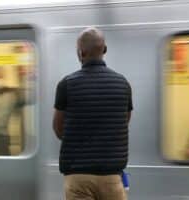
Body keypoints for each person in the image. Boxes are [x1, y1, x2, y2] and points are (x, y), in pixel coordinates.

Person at [53, 27, 132, 200]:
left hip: (78, 178)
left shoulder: (67, 84)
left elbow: (59, 130)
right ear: (104, 50)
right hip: (112, 176)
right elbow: (124, 122)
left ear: (80, 52)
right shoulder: (122, 83)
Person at [0, 66, 34, 156]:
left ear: (3, 77)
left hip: (2, 140)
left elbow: (31, 97)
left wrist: (26, 76)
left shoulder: (12, 95)